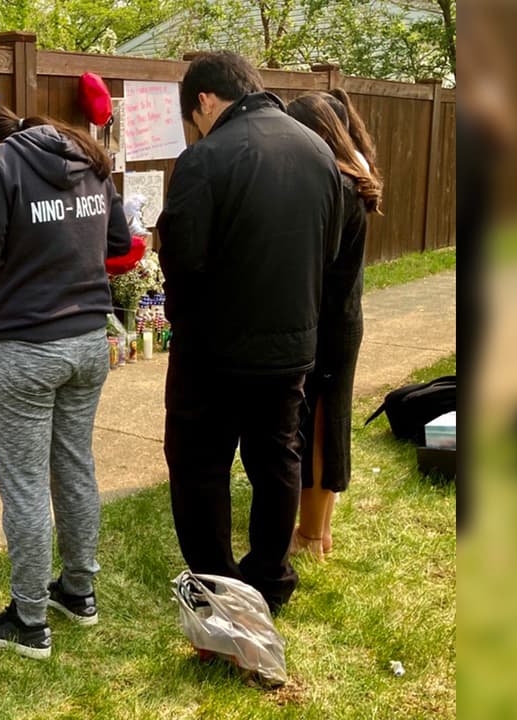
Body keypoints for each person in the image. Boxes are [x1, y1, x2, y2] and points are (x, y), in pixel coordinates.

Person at [156, 51, 342, 614]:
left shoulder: (205, 159)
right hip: (292, 346)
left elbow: (181, 261)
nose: (196, 126)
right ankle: (269, 575)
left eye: (194, 116)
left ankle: (216, 583)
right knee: (276, 457)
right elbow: (329, 253)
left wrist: (185, 324)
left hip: (213, 351)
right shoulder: (319, 151)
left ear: (206, 101)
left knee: (199, 464)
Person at [0, 102, 131, 659]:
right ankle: (78, 591)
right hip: (87, 340)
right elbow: (120, 244)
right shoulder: (92, 157)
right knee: (75, 465)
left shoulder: (3, 166)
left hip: (24, 345)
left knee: (25, 484)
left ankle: (29, 620)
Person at [285, 90, 384, 560]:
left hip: (328, 322)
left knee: (320, 427)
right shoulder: (351, 175)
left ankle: (309, 535)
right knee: (328, 421)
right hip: (343, 318)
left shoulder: (338, 187)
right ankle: (319, 531)